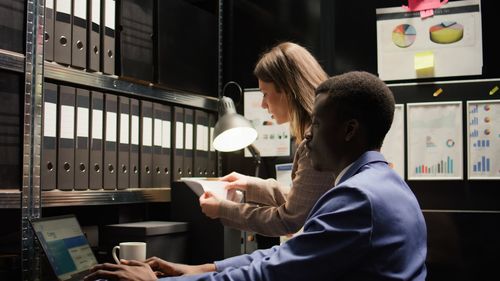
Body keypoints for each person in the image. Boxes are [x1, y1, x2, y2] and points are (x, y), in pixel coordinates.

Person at [84, 71, 428, 281]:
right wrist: (206, 268)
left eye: (318, 124)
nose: (308, 136)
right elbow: (286, 255)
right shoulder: (384, 184)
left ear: (350, 130)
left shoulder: (358, 198)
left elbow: (274, 272)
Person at [200, 42, 336, 237]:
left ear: (288, 90)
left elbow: (288, 220)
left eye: (265, 94)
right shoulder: (321, 132)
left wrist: (223, 209)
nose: (263, 104)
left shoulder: (316, 143)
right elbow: (303, 200)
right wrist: (250, 184)